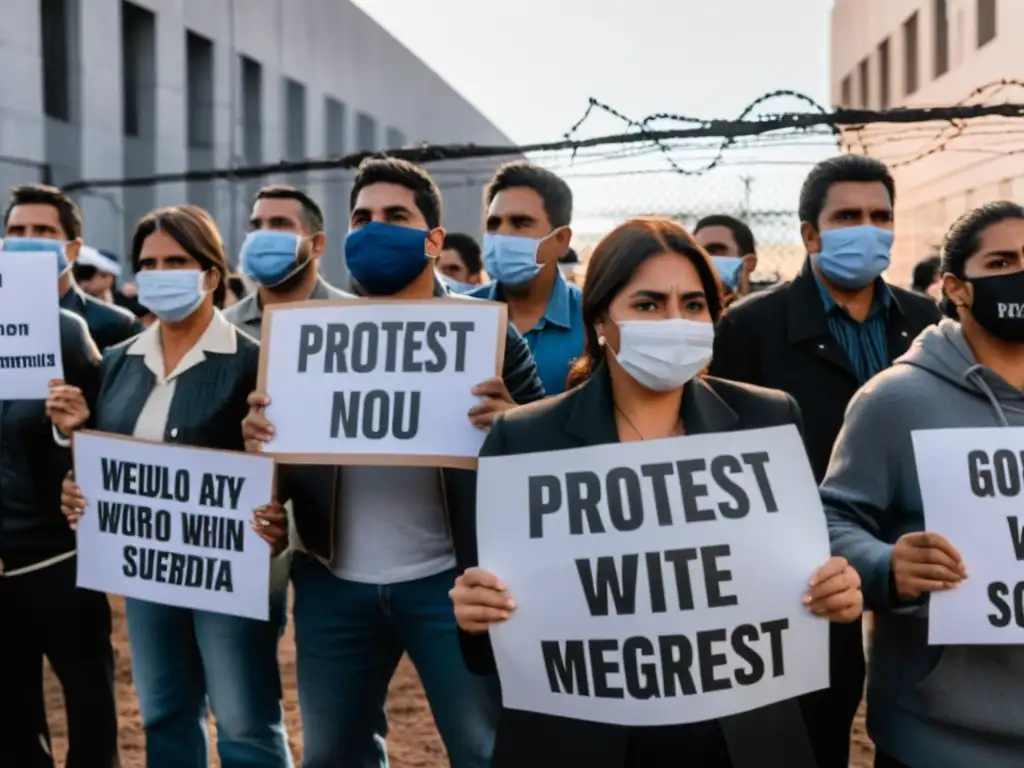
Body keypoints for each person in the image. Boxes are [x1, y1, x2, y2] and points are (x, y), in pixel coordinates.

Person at [449, 216, 864, 768]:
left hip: (737, 740)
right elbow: (495, 648)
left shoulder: (766, 418)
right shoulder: (525, 439)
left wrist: (838, 598)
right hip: (583, 740)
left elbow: (803, 599)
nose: (675, 321)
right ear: (600, 319)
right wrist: (476, 613)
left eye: (693, 305)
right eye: (648, 304)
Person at [241, 157, 545, 768]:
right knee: (331, 756)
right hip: (331, 584)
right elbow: (285, 470)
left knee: (484, 750)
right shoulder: (307, 337)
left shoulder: (486, 333)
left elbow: (548, 458)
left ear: (434, 238)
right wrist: (262, 451)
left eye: (395, 216)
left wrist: (513, 422)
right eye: (362, 217)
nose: (374, 227)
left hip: (452, 584)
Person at [709, 154, 943, 768]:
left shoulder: (927, 323)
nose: (867, 228)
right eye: (847, 216)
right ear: (809, 233)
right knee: (818, 721)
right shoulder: (750, 328)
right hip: (798, 577)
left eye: (880, 215)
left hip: (915, 564)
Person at [51, 205, 292, 768]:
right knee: (163, 713)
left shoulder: (256, 362)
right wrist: (77, 478)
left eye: (176, 261)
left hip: (230, 571)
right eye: (150, 262)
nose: (161, 272)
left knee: (244, 722)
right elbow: (107, 458)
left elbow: (285, 467)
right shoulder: (117, 362)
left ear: (211, 274)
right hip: (147, 571)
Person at [822, 201, 1024, 768]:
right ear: (957, 288)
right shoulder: (895, 400)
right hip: (939, 740)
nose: (1021, 275)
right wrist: (888, 566)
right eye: (1003, 261)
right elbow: (830, 521)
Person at [0, 306, 112, 768]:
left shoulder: (64, 331)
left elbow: (105, 428)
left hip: (60, 558)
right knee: (11, 718)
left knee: (90, 705)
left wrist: (75, 433)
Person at [469, 161, 583, 395]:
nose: (502, 235)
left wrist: (517, 420)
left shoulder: (593, 320)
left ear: (560, 240)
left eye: (521, 223)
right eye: (494, 223)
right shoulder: (457, 314)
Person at [2, 184, 143, 351]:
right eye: (17, 231)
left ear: (74, 249)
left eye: (43, 230)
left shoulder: (115, 324)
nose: (28, 239)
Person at [226, 184, 354, 339]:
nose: (264, 234)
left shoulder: (355, 318)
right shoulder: (224, 328)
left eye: (279, 223)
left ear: (317, 244)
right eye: (257, 226)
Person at [694, 214, 758, 303]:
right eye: (697, 252)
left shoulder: (774, 312)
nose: (704, 258)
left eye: (714, 250)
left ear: (749, 263)